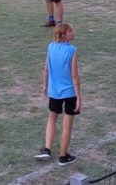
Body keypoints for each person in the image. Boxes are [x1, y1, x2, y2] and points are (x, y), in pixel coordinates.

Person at [34, 23, 81, 166]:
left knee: (52, 119)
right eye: (70, 31)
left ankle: (47, 149)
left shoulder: (50, 47)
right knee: (67, 125)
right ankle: (63, 156)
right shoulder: (72, 50)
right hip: (69, 93)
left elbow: (46, 69)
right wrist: (79, 97)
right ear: (64, 35)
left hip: (54, 92)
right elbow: (74, 76)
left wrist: (45, 86)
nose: (73, 33)